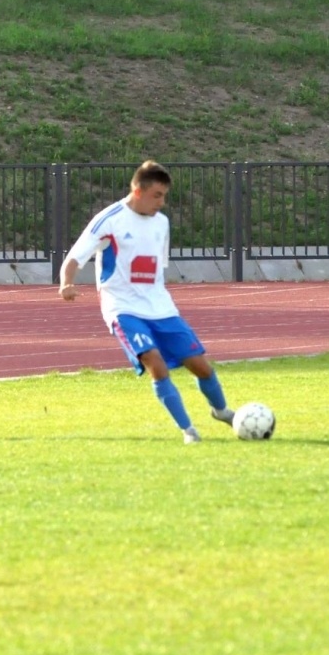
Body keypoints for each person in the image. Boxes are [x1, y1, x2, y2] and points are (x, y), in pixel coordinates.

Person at [59, 161, 234, 445]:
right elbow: (75, 257)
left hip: (161, 308)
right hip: (123, 309)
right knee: (156, 363)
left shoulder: (161, 223)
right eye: (157, 195)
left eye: (165, 195)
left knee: (201, 366)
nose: (162, 202)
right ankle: (189, 431)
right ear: (138, 191)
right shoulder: (110, 219)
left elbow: (154, 269)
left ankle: (222, 410)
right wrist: (66, 283)